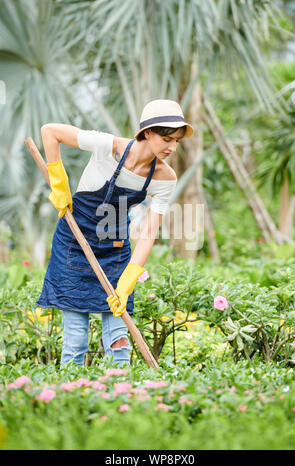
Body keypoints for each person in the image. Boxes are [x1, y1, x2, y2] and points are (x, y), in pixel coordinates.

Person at [36, 99, 194, 368]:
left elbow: (149, 232)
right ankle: (67, 399)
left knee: (119, 340)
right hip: (74, 244)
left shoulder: (165, 178)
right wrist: (59, 182)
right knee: (75, 341)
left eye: (177, 141)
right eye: (167, 138)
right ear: (146, 132)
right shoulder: (108, 146)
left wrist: (129, 278)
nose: (172, 147)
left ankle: (120, 401)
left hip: (116, 252)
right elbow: (50, 131)